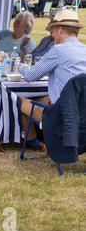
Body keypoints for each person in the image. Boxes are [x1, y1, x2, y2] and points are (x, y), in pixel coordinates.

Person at [18, 9, 86, 151]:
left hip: (63, 115)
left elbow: (31, 76)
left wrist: (21, 67)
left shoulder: (58, 51)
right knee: (43, 97)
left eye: (53, 30)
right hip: (82, 113)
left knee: (19, 99)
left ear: (60, 30)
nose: (52, 35)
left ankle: (31, 140)